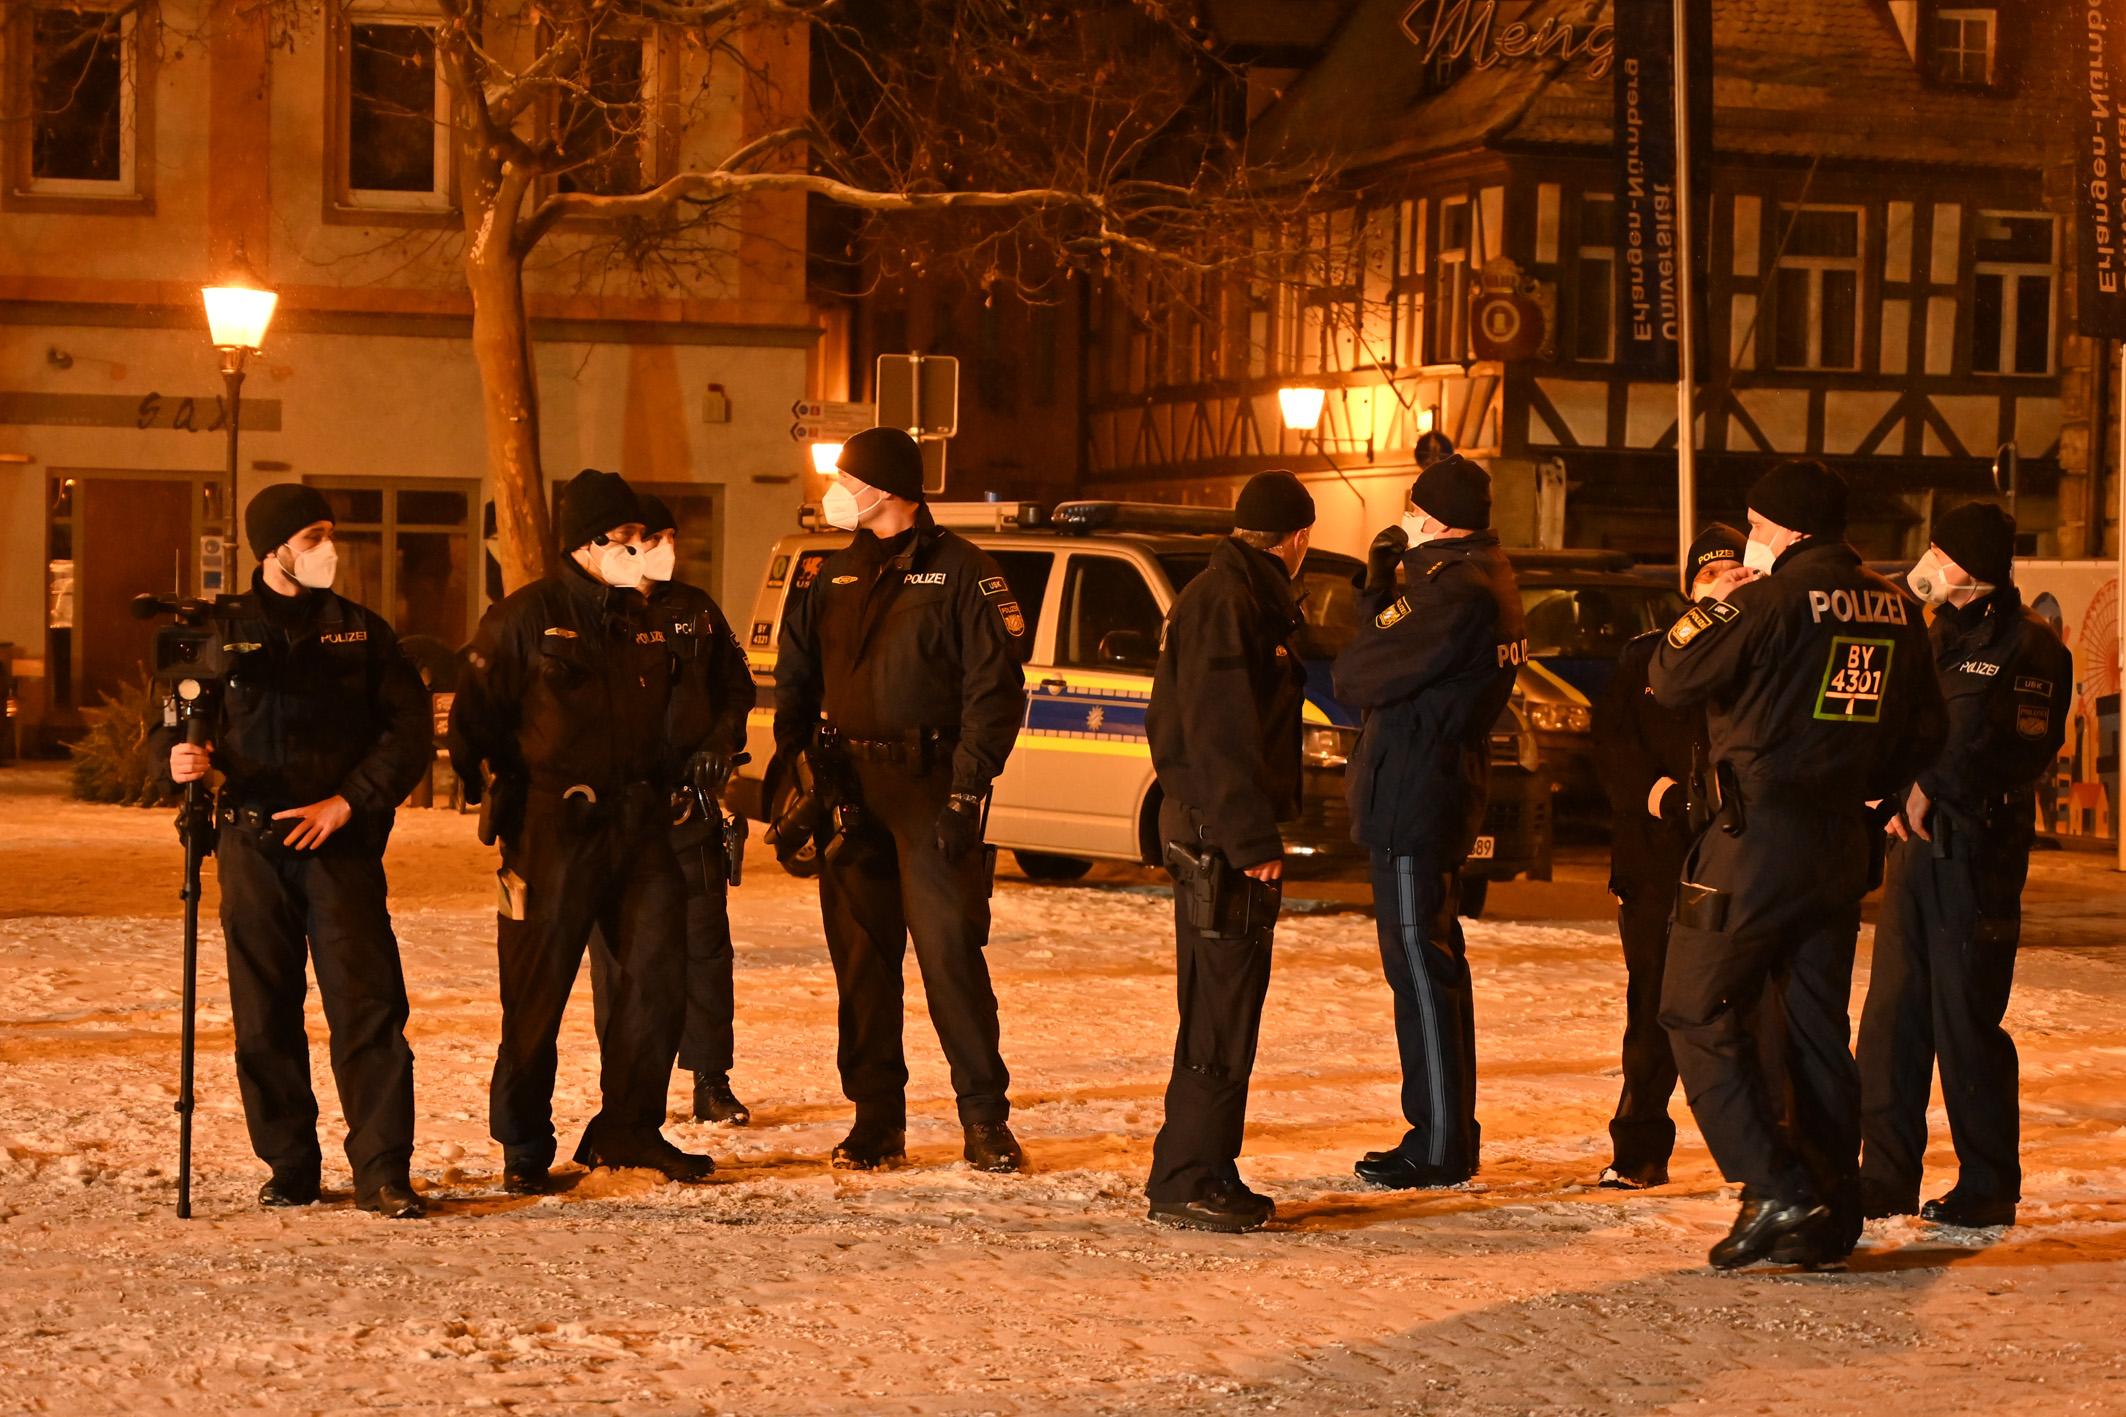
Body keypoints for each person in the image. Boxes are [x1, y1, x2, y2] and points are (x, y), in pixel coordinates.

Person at [1648, 459, 1943, 1269]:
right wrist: (1872, 792)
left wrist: (1711, 606)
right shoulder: (1896, 607)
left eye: (1754, 523)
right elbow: (1926, 735)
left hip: (1756, 839)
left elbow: (1670, 678)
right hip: (1839, 843)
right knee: (1815, 1027)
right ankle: (1829, 1213)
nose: (1751, 537)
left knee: (1692, 1006)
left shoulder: (1766, 599)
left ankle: (1771, 1182)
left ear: (1779, 528)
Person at [165, 484, 431, 1218]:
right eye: (313, 535)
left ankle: (383, 1168)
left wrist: (350, 800)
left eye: (329, 533)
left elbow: (406, 731)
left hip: (338, 844)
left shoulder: (363, 633)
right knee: (264, 1010)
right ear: (273, 548)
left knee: (368, 1005)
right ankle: (290, 1162)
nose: (329, 548)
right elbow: (183, 715)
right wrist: (182, 759)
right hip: (252, 843)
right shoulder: (223, 632)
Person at [771, 427, 1032, 1172]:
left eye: (847, 476)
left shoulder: (963, 573)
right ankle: (875, 1120)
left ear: (885, 489)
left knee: (950, 957)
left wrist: (966, 789)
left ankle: (985, 1120)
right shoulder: (831, 575)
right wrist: (800, 771)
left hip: (931, 788)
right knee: (861, 962)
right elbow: (795, 678)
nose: (837, 488)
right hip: (850, 789)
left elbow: (994, 691)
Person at [449, 469, 712, 1195]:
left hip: (638, 821)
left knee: (658, 974)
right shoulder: (524, 617)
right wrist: (499, 790)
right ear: (587, 542)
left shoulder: (643, 617)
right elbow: (475, 717)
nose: (638, 550)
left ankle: (630, 1126)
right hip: (550, 827)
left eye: (642, 537)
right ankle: (524, 1145)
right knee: (537, 988)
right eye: (625, 539)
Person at [1857, 503, 2070, 1229]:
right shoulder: (1932, 630)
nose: (1928, 559)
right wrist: (1893, 793)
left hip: (1977, 850)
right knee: (1892, 1019)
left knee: (1965, 1018)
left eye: (1940, 549)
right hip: (1912, 848)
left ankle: (1987, 1183)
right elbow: (1905, 721)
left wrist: (1933, 785)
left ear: (1972, 563)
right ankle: (1883, 1174)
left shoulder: (2030, 645)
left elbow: (2016, 745)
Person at [1332, 455, 1527, 1190]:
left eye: (1413, 508)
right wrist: (1381, 591)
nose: (1405, 517)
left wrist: (1384, 599)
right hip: (1432, 784)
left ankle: (1441, 1140)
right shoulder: (1478, 575)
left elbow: (1357, 674)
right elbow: (1383, 648)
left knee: (1422, 967)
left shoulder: (1456, 591)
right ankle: (1443, 1130)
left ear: (1438, 518)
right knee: (1429, 965)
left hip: (1418, 788)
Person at [1142, 471, 1316, 1233]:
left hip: (1213, 829)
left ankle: (1207, 1162)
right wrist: (1250, 837)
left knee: (1223, 1006)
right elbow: (1219, 730)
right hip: (1221, 839)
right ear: (1298, 536)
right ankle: (1186, 1174)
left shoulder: (1230, 593)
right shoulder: (1230, 601)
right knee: (1219, 1008)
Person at [589, 494, 758, 1126]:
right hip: (621, 809)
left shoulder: (696, 610)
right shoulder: (597, 611)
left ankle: (710, 1076)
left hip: (689, 808)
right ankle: (628, 1080)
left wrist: (719, 744)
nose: (661, 548)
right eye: (647, 536)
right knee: (621, 955)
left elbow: (735, 689)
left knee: (704, 946)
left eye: (667, 536)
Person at [1590, 523, 1747, 1190]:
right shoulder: (1645, 659)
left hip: (1731, 857)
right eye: (1709, 575)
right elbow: (1613, 744)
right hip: (1656, 860)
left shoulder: (1754, 653)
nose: (1718, 585)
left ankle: (1754, 1154)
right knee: (1651, 1006)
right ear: (1688, 586)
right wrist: (1661, 796)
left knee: (1738, 1008)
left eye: (1732, 573)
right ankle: (1639, 1148)